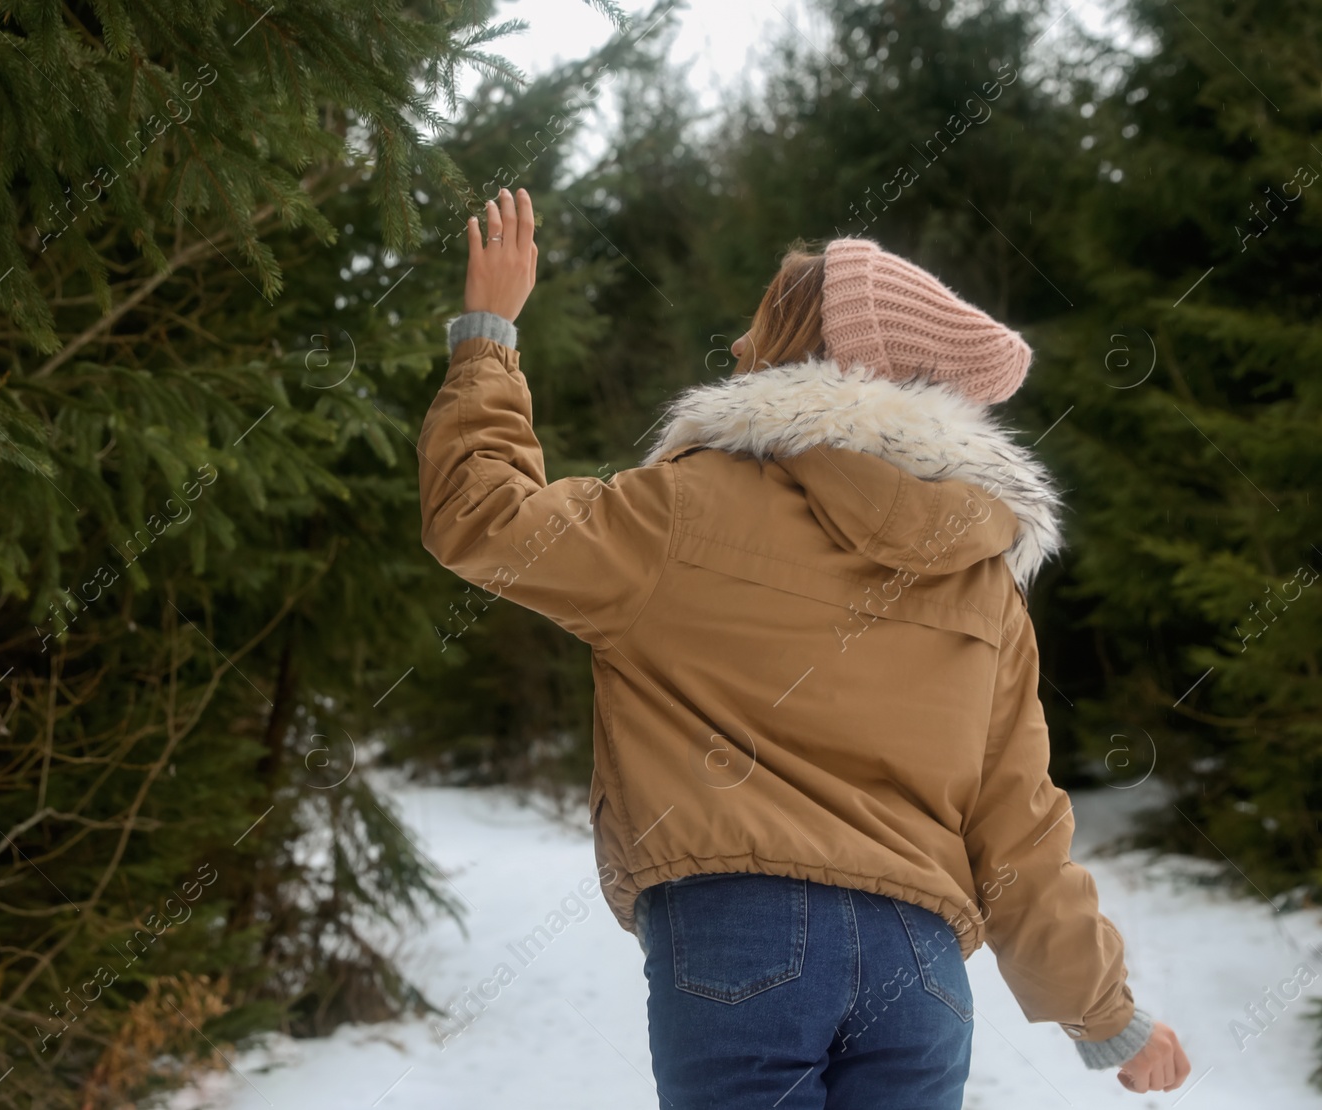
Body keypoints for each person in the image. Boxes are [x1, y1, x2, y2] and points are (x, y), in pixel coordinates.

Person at [417, 186, 1191, 1107]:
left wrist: (488, 334)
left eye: (760, 329)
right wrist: (1105, 1015)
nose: (738, 350)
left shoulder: (680, 512)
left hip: (739, 935)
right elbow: (1019, 827)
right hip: (922, 967)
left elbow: (482, 517)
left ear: (804, 353)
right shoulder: (985, 580)